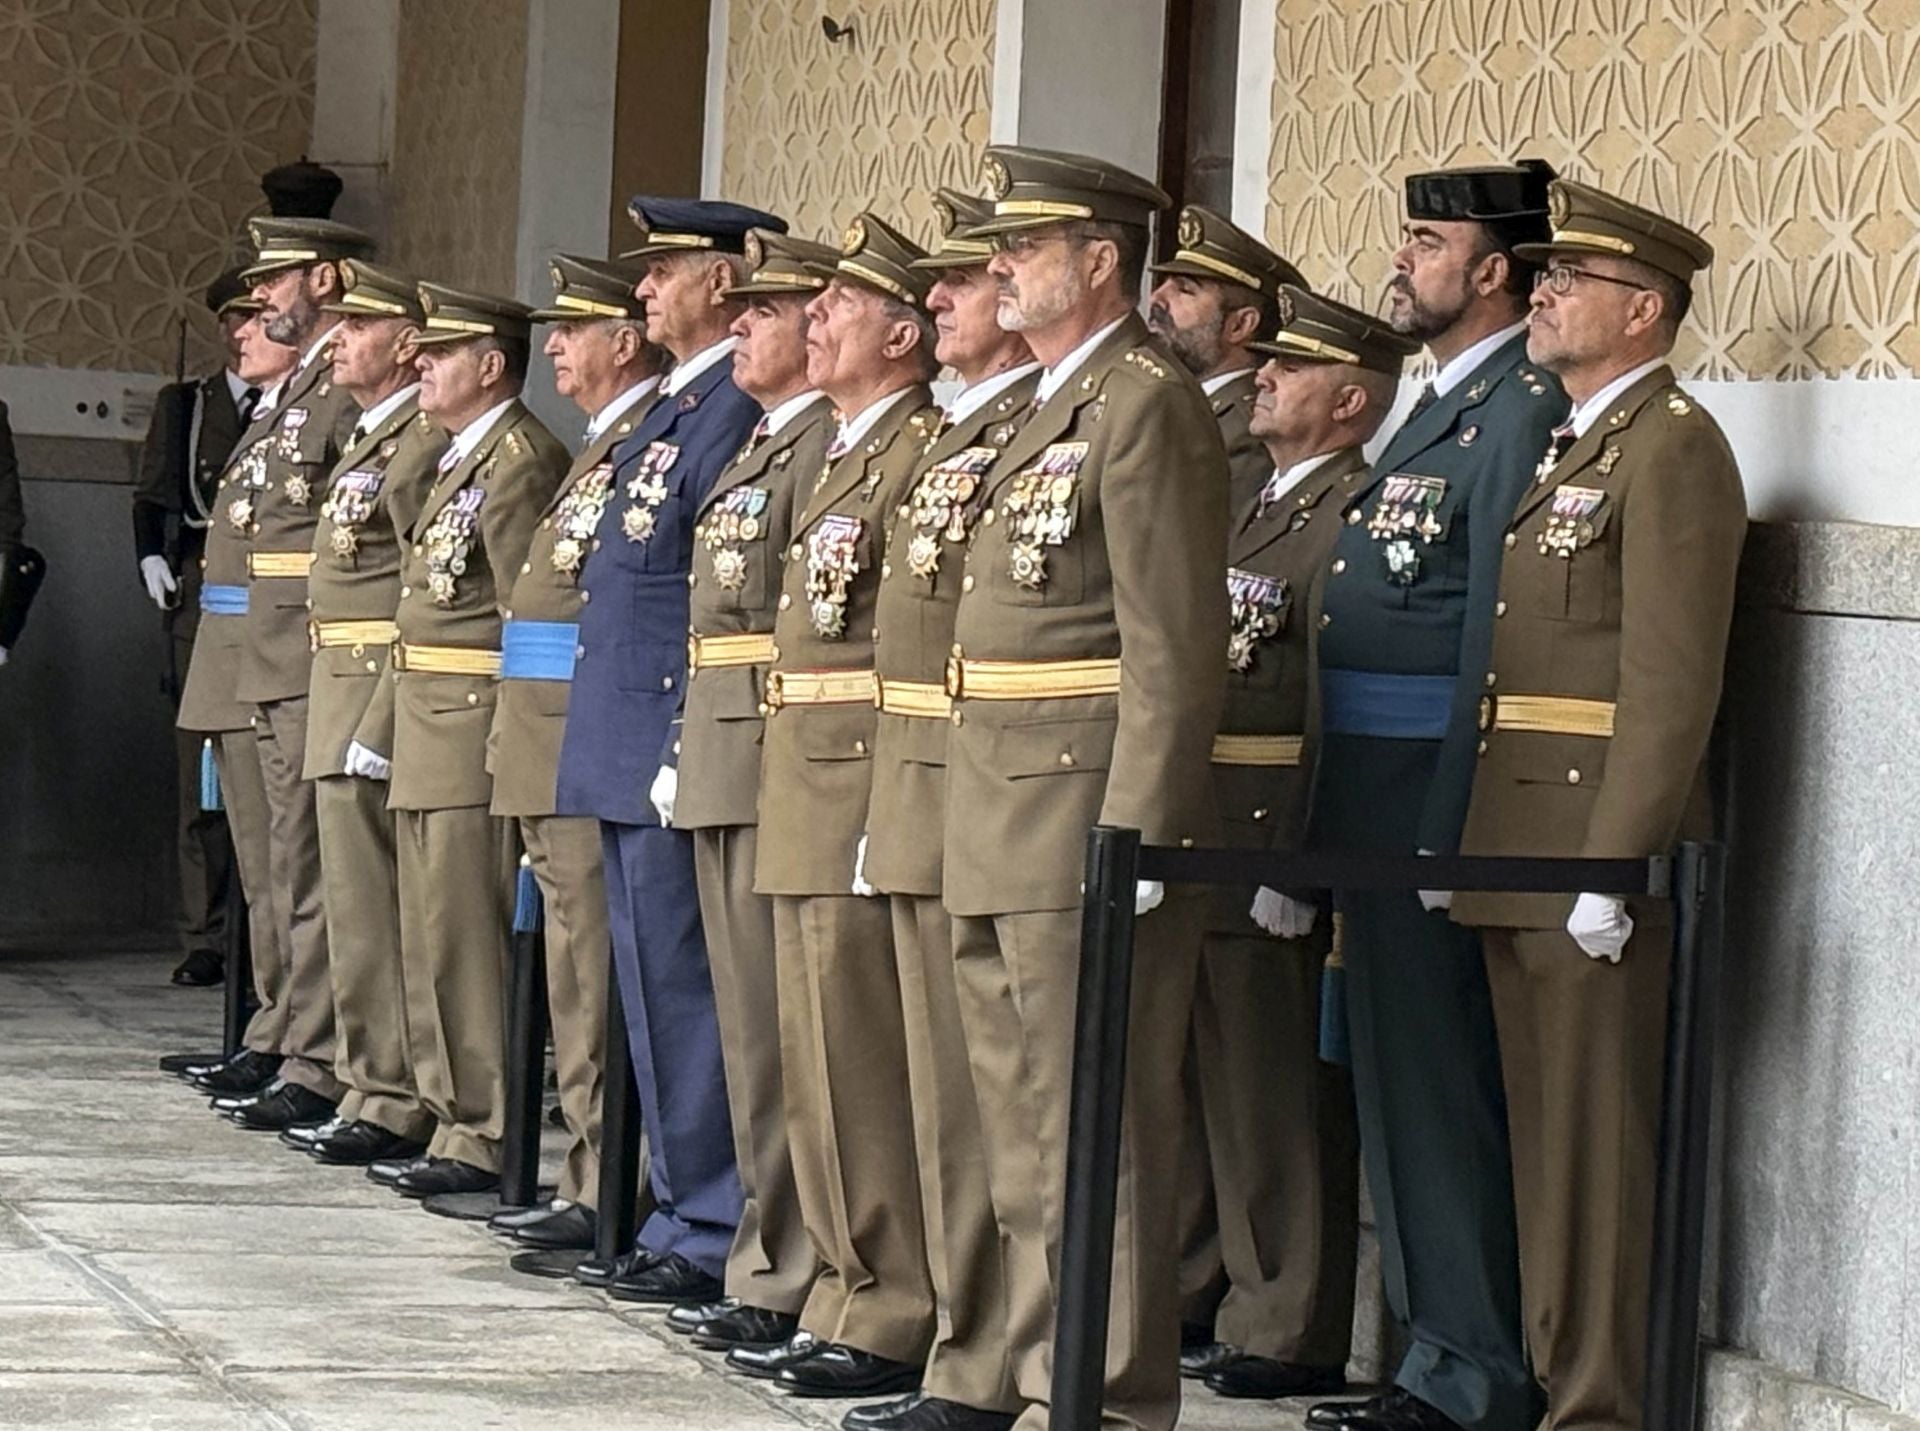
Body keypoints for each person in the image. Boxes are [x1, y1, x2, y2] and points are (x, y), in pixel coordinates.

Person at [1451, 180, 1744, 1431]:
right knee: (1545, 1146)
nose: (1547, 291)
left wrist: (1613, 868)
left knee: (1597, 1151)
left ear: (1647, 310)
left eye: (1574, 279)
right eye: (1547, 273)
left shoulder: (1672, 446)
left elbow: (1669, 684)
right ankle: (1557, 1381)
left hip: (1587, 849)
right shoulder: (1577, 442)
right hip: (1519, 838)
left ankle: (1602, 1407)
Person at [946, 145, 1230, 1431]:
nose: (1000, 266)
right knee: (1020, 1131)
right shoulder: (1040, 403)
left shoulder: (1142, 401)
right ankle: (1037, 1377)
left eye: (1026, 247)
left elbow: (1172, 643)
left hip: (1077, 815)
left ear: (1100, 262)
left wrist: (1140, 837)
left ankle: (1107, 1397)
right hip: (993, 801)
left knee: (1096, 1125)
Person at [1305, 161, 1564, 1431]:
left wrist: (1455, 820)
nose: (1401, 261)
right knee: (1393, 1080)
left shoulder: (1518, 407)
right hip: (1367, 791)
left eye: (1427, 241)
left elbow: (1494, 639)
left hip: (1427, 797)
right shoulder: (1433, 403)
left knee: (1441, 1085)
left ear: (1494, 272)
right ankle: (1428, 1355)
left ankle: (1472, 1374)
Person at [1186, 288, 1417, 1404]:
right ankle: (1232, 1287)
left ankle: (1291, 1323)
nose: (1264, 377)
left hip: (1273, 837)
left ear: (1351, 401)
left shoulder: (1351, 512)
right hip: (1213, 832)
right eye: (1265, 362)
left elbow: (1331, 697)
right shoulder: (1258, 505)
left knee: (1278, 1092)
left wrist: (1300, 860)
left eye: (1292, 368)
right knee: (1222, 1083)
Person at [552, 198, 777, 1306]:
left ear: (724, 285)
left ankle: (709, 1220)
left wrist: (683, 736)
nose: (643, 291)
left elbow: (717, 589)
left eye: (666, 270)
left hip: (667, 730)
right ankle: (681, 1205)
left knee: (687, 995)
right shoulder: (677, 408)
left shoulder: (732, 404)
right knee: (649, 989)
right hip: (627, 728)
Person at [744, 210, 944, 1403]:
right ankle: (838, 1278)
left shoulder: (915, 445)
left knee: (863, 1059)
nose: (814, 321)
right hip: (802, 764)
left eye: (837, 308)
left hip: (864, 766)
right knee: (811, 1056)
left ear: (904, 333)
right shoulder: (835, 444)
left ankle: (889, 1299)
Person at [849, 188, 1040, 1431]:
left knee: (1001, 1108)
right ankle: (963, 1348)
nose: (943, 302)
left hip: (1011, 788)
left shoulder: (1054, 423)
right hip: (922, 774)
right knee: (938, 1093)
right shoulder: (963, 435)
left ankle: (1002, 1356)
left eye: (968, 280)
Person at [662, 227, 837, 1353]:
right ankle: (768, 1255)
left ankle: (799, 1266)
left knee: (798, 1041)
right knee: (751, 1035)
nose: (746, 327)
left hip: (788, 756)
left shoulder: (826, 443)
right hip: (727, 741)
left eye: (770, 314)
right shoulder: (769, 439)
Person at [362, 282, 568, 1200]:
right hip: (423, 714)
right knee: (427, 934)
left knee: (466, 938)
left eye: (439, 356)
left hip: (470, 714)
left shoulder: (520, 460)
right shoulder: (455, 458)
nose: (420, 368)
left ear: (491, 366)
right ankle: (446, 1107)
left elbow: (528, 616)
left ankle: (482, 1123)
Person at [486, 253, 667, 1260]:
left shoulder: (642, 442)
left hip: (584, 743)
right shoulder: (604, 446)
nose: (553, 345)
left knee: (592, 968)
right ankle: (587, 1164)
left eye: (573, 330)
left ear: (624, 343)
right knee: (569, 962)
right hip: (548, 739)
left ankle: (608, 1172)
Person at [289, 259, 449, 1169]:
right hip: (339, 674)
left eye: (360, 325)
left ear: (406, 343)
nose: (339, 339)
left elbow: (433, 592)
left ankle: (397, 1087)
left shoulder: (421, 442)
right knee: (351, 901)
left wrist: (384, 713)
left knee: (386, 905)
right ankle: (369, 1075)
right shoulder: (372, 434)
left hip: (383, 685)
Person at [224, 216, 376, 1134]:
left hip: (317, 646)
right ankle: (291, 1030)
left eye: (276, 281)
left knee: (308, 861)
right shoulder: (295, 392)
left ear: (323, 278)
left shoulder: (339, 390)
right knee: (281, 858)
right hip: (274, 647)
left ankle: (314, 1049)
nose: (265, 300)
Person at [168, 302, 302, 1100]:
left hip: (285, 658)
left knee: (290, 869)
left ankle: (297, 1042)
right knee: (261, 864)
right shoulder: (265, 413)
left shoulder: (319, 409)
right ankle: (274, 1027)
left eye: (258, 314)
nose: (241, 333)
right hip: (238, 650)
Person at [130, 268, 258, 988]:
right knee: (199, 781)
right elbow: (152, 493)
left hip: (273, 608)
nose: (244, 333)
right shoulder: (188, 406)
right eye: (235, 319)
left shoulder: (295, 407)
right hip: (203, 601)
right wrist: (149, 555)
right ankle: (205, 932)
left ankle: (253, 928)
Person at [1147, 205, 1305, 518]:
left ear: (1240, 326)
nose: (1156, 298)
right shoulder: (1170, 401)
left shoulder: (1248, 432)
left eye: (1184, 289)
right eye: (1164, 283)